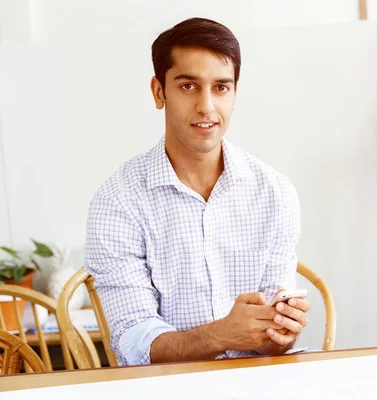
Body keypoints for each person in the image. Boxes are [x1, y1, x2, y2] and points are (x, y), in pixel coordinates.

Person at [84, 17, 310, 366]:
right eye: (189, 86)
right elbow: (133, 343)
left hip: (262, 382)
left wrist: (280, 331)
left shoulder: (275, 192)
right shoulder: (119, 201)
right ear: (159, 92)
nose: (207, 106)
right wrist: (222, 334)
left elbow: (272, 342)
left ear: (234, 94)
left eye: (221, 87)